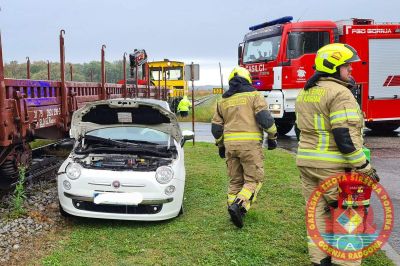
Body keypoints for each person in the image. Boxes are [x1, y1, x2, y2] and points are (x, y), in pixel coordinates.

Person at [295, 43, 380, 266]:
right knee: (348, 218)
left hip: (307, 164)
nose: (351, 70)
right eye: (347, 66)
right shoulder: (340, 93)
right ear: (333, 67)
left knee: (317, 214)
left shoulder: (306, 92)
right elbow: (345, 138)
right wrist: (365, 168)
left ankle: (319, 260)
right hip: (334, 168)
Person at [211, 66, 277, 228]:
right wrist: (273, 137)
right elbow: (265, 120)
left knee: (235, 181)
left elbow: (216, 128)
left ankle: (234, 209)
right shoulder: (254, 96)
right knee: (254, 180)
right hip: (250, 147)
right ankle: (238, 205)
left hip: (230, 147)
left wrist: (221, 145)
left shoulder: (222, 101)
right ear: (247, 79)